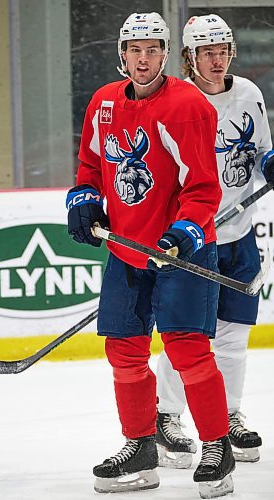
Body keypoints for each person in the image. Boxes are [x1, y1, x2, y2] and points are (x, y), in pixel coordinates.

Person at [66, 12, 235, 498]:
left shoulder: (187, 105)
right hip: (127, 250)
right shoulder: (103, 103)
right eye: (135, 49)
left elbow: (204, 185)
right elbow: (91, 165)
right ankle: (139, 446)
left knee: (187, 349)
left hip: (182, 253)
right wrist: (82, 197)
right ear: (122, 54)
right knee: (123, 350)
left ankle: (217, 448)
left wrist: (184, 229)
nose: (144, 59)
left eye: (153, 49)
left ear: (166, 54)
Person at [156, 14, 274, 470]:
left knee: (233, 338)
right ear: (189, 56)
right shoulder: (175, 100)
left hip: (240, 236)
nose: (217, 59)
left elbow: (260, 152)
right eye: (207, 52)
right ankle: (166, 415)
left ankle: (228, 414)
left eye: (222, 50)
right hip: (192, 239)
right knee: (185, 337)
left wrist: (271, 162)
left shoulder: (249, 93)